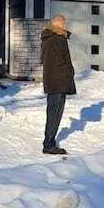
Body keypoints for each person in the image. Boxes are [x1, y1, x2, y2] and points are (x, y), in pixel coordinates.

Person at [40, 13, 76, 155]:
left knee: (52, 112)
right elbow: (64, 60)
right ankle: (49, 144)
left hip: (51, 80)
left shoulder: (46, 38)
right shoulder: (58, 39)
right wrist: (70, 73)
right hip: (59, 80)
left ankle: (49, 142)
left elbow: (43, 59)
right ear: (58, 24)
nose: (65, 26)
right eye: (63, 23)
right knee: (55, 113)